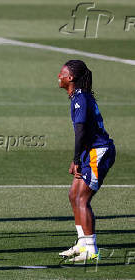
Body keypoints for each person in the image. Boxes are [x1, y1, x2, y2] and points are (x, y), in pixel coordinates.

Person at [57, 60, 115, 262]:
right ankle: (82, 243)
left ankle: (91, 248)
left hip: (96, 152)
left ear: (70, 78)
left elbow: (80, 131)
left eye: (62, 74)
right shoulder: (79, 96)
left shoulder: (80, 98)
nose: (59, 76)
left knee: (82, 199)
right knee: (74, 195)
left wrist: (76, 160)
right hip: (88, 151)